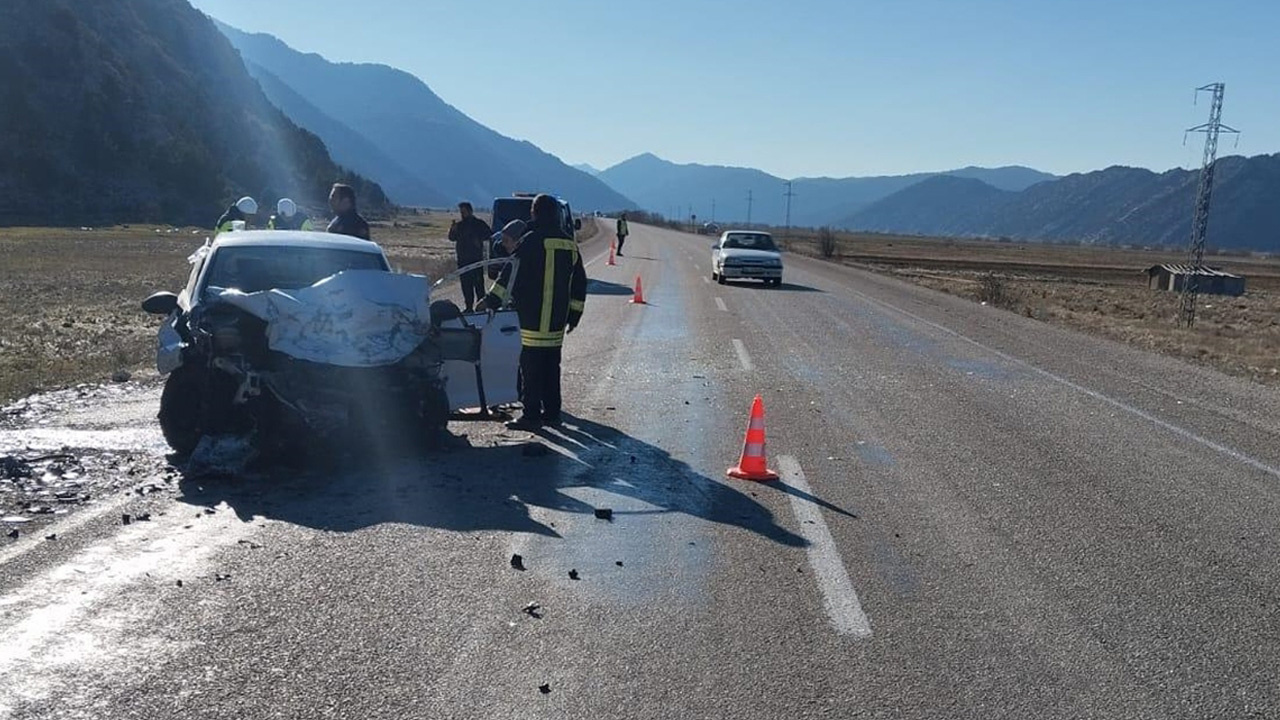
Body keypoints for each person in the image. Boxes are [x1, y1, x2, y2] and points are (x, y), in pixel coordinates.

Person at [484, 195, 586, 430]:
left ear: (535, 213)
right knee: (552, 368)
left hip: (532, 318)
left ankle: (531, 416)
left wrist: (491, 301)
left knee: (530, 369)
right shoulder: (569, 244)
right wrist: (574, 315)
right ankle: (552, 414)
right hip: (556, 322)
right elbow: (579, 284)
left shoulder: (530, 242)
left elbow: (509, 276)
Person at [447, 202, 492, 312]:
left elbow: (489, 234)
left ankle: (481, 306)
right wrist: (452, 230)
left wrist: (478, 239)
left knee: (478, 285)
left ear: (470, 211)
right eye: (461, 212)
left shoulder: (479, 224)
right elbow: (452, 238)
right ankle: (468, 307)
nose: (462, 214)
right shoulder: (460, 225)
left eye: (464, 211)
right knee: (466, 285)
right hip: (463, 260)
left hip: (476, 260)